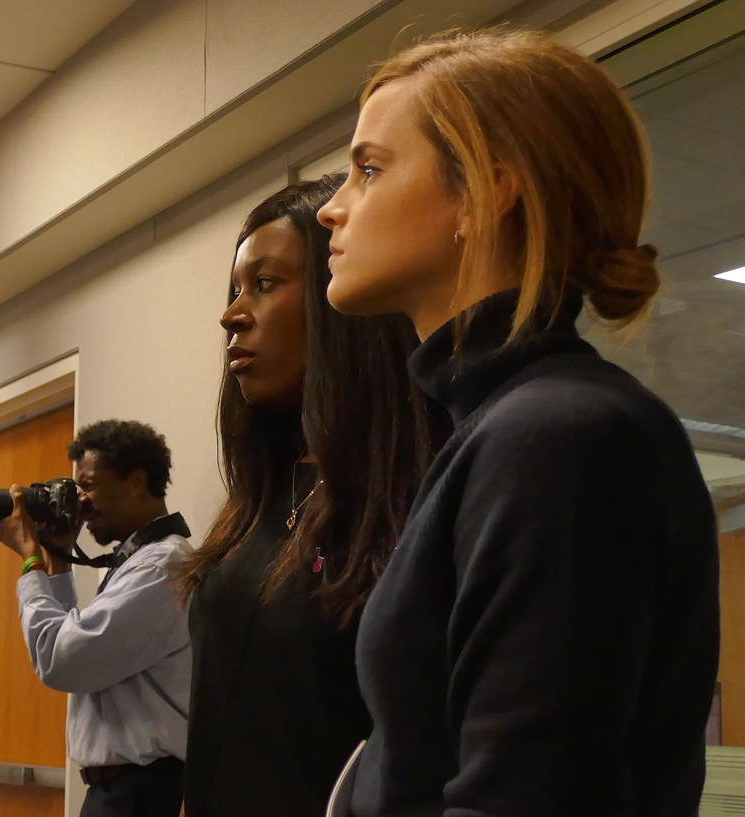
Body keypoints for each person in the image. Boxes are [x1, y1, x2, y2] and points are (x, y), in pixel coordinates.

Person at [315, 29, 721, 817]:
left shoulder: (556, 437)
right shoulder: (500, 426)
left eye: (368, 170)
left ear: (483, 194)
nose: (332, 206)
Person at [173, 176, 436, 817]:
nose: (231, 314)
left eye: (264, 285)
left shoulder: (413, 499)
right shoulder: (261, 497)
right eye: (236, 290)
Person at [0, 419, 190, 817]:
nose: (79, 501)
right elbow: (81, 644)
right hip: (125, 791)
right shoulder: (140, 561)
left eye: (88, 485)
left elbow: (62, 660)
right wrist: (57, 562)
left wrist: (29, 557)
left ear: (136, 482)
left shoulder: (161, 565)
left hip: (137, 793)